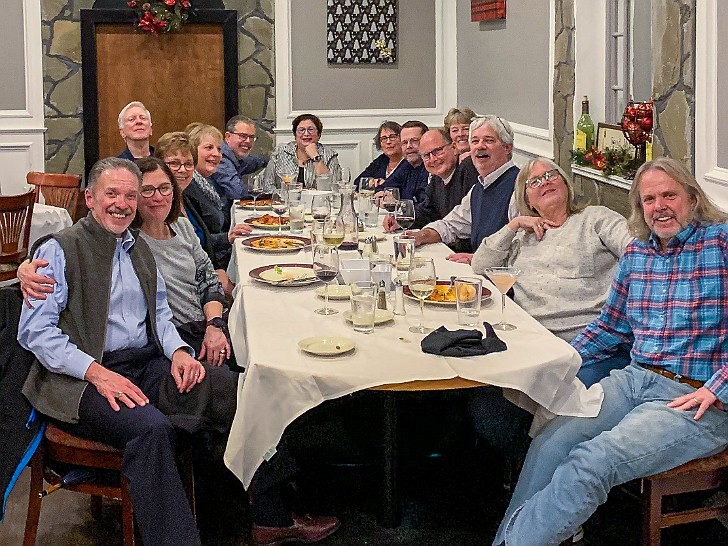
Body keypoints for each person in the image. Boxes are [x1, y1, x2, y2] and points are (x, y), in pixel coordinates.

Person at [493, 157, 728, 546]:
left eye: (669, 194)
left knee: (592, 461)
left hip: (695, 398)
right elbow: (609, 327)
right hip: (635, 380)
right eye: (649, 199)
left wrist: (717, 387)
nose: (659, 206)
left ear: (692, 196)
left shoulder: (719, 242)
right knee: (551, 441)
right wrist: (558, 362)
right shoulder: (638, 255)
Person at [17, 157, 215, 545]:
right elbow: (36, 333)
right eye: (112, 194)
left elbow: (160, 316)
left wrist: (178, 352)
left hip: (142, 363)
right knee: (152, 429)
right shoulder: (59, 250)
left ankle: (252, 516)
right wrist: (96, 372)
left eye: (130, 195)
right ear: (90, 198)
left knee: (217, 389)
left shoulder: (139, 248)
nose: (122, 203)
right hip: (78, 378)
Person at [412, 115, 520, 260]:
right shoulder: (478, 189)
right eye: (475, 141)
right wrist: (420, 236)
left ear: (507, 148)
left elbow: (520, 251)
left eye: (488, 140)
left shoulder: (519, 187)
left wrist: (476, 259)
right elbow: (451, 226)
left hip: (500, 279)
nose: (480, 146)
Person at [155, 131, 250, 292]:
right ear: (159, 166)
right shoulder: (160, 209)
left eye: (188, 164)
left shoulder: (183, 198)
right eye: (174, 163)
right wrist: (215, 282)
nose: (182, 170)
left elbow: (199, 245)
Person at [384, 129, 478, 243]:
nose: (433, 159)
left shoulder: (468, 169)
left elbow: (469, 222)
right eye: (426, 156)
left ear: (454, 148)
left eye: (438, 151)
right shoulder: (437, 179)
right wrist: (399, 219)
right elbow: (427, 211)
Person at [263, 113, 340, 188]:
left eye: (311, 129)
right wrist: (282, 196)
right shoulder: (280, 152)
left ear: (318, 135)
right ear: (295, 135)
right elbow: (267, 185)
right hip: (284, 200)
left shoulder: (330, 155)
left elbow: (332, 187)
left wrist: (316, 157)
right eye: (301, 130)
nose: (306, 134)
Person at [210, 115, 269, 206]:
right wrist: (269, 194)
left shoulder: (234, 156)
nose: (248, 141)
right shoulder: (222, 158)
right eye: (243, 136)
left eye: (252, 137)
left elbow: (251, 162)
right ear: (228, 136)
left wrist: (271, 159)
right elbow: (238, 192)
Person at [355, 121, 408, 191]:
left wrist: (380, 185)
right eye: (384, 138)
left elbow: (393, 188)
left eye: (392, 137)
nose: (388, 142)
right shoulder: (382, 160)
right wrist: (373, 182)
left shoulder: (408, 162)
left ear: (402, 139)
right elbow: (358, 182)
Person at [398, 120, 430, 203]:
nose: (409, 146)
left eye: (414, 141)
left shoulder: (431, 167)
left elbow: (423, 203)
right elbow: (387, 186)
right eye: (404, 142)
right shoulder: (406, 165)